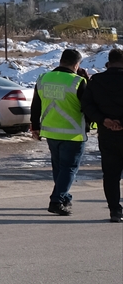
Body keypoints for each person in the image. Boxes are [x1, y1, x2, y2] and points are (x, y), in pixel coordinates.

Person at [30, 48, 89, 216]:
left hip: (51, 132)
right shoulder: (77, 81)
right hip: (72, 133)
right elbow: (88, 106)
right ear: (76, 64)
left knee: (59, 168)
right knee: (69, 168)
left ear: (61, 61)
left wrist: (35, 126)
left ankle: (65, 197)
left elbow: (36, 104)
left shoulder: (43, 78)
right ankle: (56, 200)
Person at [82, 48, 123, 223]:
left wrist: (103, 120)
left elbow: (86, 105)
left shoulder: (96, 81)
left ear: (109, 62)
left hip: (107, 134)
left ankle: (115, 211)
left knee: (111, 175)